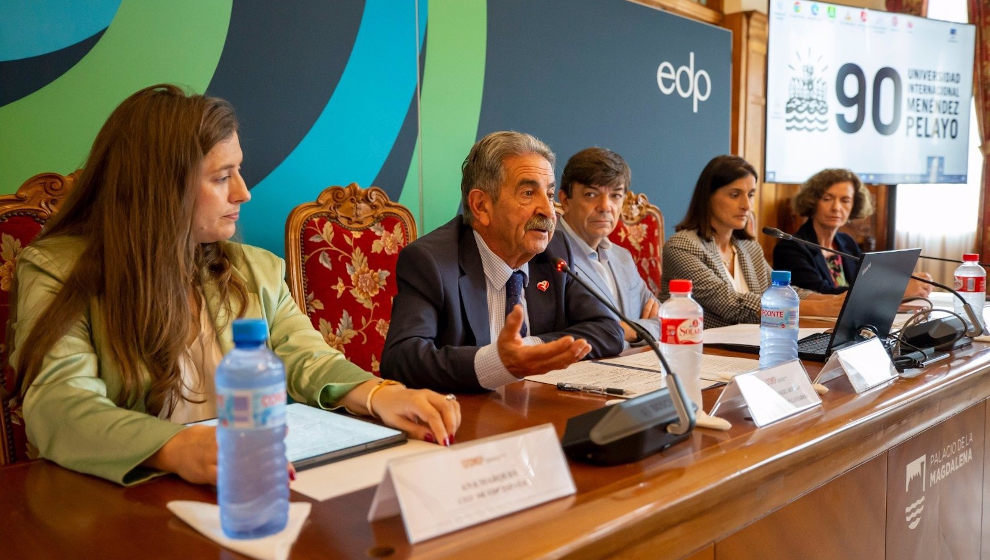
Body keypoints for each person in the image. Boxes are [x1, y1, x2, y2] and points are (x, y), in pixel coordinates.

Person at [9, 84, 460, 486]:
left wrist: (382, 394)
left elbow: (308, 357)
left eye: (238, 172)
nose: (243, 192)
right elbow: (59, 404)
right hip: (125, 498)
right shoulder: (55, 269)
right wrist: (177, 449)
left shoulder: (256, 270)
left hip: (242, 486)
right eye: (223, 177)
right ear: (160, 187)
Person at [380, 131, 624, 392]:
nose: (548, 210)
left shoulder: (554, 252)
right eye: (528, 193)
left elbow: (608, 330)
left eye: (550, 193)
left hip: (535, 412)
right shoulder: (432, 261)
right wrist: (497, 363)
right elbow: (401, 359)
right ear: (481, 205)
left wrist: (531, 350)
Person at [660, 155, 843, 328]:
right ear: (708, 197)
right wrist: (824, 308)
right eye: (735, 195)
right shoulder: (682, 247)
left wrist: (836, 300)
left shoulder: (748, 248)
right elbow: (732, 304)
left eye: (751, 194)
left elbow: (781, 290)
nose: (746, 205)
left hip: (753, 347)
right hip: (701, 350)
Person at [773, 168, 933, 298]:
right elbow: (820, 294)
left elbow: (867, 283)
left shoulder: (846, 243)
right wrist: (895, 291)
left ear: (854, 206)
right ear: (812, 202)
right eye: (828, 198)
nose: (836, 207)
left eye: (845, 200)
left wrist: (901, 282)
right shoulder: (790, 248)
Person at [556, 147, 659, 346]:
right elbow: (561, 336)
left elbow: (662, 320)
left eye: (615, 195)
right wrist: (627, 330)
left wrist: (633, 330)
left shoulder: (623, 257)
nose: (605, 206)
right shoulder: (547, 256)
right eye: (591, 195)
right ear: (564, 200)